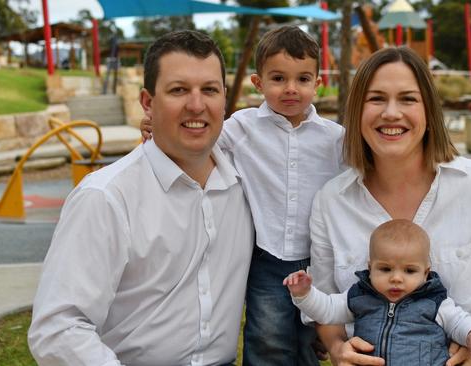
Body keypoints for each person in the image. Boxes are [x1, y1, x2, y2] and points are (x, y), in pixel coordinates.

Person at [308, 46, 471, 366]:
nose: (391, 113)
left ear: (429, 110)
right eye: (376, 98)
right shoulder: (330, 202)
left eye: (408, 99)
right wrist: (337, 348)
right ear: (357, 111)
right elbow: (324, 305)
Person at [28, 30, 254, 365]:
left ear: (225, 98)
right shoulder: (106, 198)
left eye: (209, 90)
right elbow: (58, 328)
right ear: (148, 102)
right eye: (178, 90)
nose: (196, 104)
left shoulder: (247, 182)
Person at [142, 25, 345, 365]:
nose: (291, 89)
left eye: (303, 79)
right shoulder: (241, 127)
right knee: (268, 335)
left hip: (319, 258)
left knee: (311, 340)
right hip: (267, 256)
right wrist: (160, 128)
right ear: (258, 82)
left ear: (318, 82)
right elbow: (199, 145)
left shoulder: (334, 138)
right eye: (278, 78)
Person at [284, 219, 471, 365]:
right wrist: (305, 294)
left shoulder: (434, 301)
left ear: (426, 272)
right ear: (370, 267)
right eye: (385, 269)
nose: (396, 278)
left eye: (410, 271)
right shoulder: (360, 296)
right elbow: (327, 310)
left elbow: (458, 321)